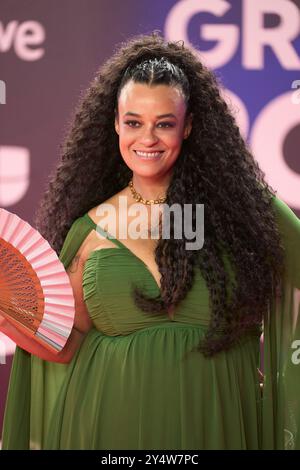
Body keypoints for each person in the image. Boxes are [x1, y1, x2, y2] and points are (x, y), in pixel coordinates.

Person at [1, 31, 300, 450]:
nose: (147, 139)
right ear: (115, 124)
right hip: (110, 426)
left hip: (218, 424)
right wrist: (7, 311)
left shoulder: (247, 213)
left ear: (189, 125)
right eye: (133, 123)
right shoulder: (91, 227)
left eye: (164, 124)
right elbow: (65, 345)